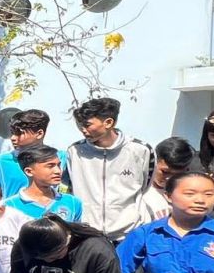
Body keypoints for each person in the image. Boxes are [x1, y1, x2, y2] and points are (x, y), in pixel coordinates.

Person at [65, 97, 153, 241]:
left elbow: (145, 185)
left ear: (108, 123)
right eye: (80, 125)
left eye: (87, 125)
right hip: (88, 234)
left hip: (129, 233)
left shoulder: (140, 150)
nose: (83, 130)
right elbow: (70, 186)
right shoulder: (74, 151)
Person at [0, 109, 64, 198]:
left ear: (39, 134)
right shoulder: (0, 161)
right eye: (12, 133)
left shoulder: (61, 157)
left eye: (19, 133)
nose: (13, 138)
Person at [3, 145, 83, 222]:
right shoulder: (8, 206)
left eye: (58, 165)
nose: (58, 171)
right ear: (29, 171)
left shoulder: (72, 203)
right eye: (50, 166)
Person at [139, 137, 195, 222]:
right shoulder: (138, 190)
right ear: (154, 163)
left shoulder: (191, 194)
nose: (169, 178)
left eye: (177, 174)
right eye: (165, 172)